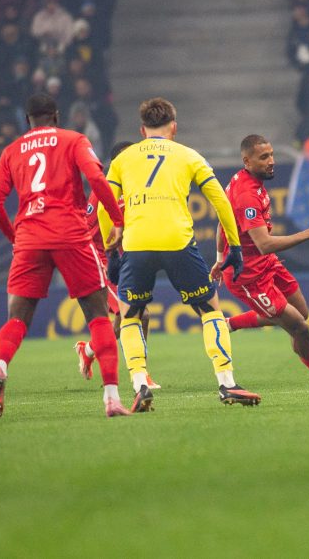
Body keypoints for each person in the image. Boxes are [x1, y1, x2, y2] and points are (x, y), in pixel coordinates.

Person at [0, 93, 129, 418]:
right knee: (99, 317)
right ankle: (111, 398)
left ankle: (0, 366)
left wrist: (14, 237)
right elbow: (95, 178)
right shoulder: (73, 139)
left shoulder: (11, 151)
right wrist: (117, 221)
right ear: (57, 115)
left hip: (29, 237)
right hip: (70, 233)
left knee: (17, 319)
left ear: (27, 121)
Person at [106, 97, 255, 411]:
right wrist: (235, 245)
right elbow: (221, 201)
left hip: (137, 244)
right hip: (177, 241)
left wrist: (113, 240)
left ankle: (140, 383)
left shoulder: (124, 159)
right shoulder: (189, 155)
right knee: (210, 310)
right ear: (174, 126)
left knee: (130, 315)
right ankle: (227, 383)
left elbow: (107, 201)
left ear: (141, 129)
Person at [211, 134, 309, 385]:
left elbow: (223, 222)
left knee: (301, 314)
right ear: (247, 161)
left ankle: (229, 323)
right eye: (264, 157)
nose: (271, 161)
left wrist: (220, 258)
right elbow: (264, 244)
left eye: (272, 154)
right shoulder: (247, 196)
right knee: (299, 327)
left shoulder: (243, 179)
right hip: (249, 276)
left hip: (266, 264)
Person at [74, 141, 158, 389]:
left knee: (126, 320)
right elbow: (87, 231)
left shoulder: (136, 187)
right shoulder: (103, 189)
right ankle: (141, 374)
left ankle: (88, 350)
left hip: (122, 259)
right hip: (99, 259)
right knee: (136, 313)